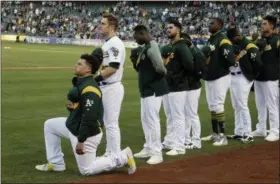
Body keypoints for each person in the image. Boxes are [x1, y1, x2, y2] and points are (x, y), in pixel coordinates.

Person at [35, 53, 136, 175]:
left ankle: (122, 157)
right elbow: (82, 110)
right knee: (50, 125)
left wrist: (81, 141)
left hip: (88, 133)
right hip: (75, 126)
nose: (75, 65)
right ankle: (56, 163)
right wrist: (73, 109)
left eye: (79, 64)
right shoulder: (82, 83)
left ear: (88, 69)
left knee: (86, 170)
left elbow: (89, 117)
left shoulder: (90, 88)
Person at [131, 25, 168, 165]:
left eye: (136, 36)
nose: (135, 39)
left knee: (152, 120)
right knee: (146, 119)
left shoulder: (152, 47)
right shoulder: (145, 47)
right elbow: (142, 69)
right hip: (146, 89)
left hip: (153, 89)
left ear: (143, 33)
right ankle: (149, 147)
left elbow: (161, 68)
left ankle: (157, 152)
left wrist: (153, 79)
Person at [162, 20, 194, 156]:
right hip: (169, 85)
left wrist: (177, 76)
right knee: (170, 116)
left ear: (178, 29)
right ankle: (170, 141)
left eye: (171, 27)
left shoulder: (181, 47)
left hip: (179, 86)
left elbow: (189, 65)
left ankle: (180, 146)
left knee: (178, 116)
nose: (168, 30)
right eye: (167, 28)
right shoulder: (172, 46)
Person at [95, 13, 125, 156]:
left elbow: (113, 67)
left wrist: (95, 79)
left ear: (111, 27)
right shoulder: (108, 42)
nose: (99, 26)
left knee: (111, 123)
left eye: (103, 23)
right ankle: (109, 152)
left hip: (111, 86)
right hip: (106, 86)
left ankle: (115, 154)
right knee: (108, 122)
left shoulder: (114, 43)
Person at [201, 18, 235, 146]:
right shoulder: (211, 39)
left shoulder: (223, 40)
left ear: (219, 25)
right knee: (212, 106)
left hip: (220, 76)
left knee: (218, 105)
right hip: (210, 76)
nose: (209, 25)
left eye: (212, 23)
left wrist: (219, 66)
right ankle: (215, 133)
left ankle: (223, 136)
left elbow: (231, 60)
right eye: (209, 23)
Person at [226, 27, 262, 143]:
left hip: (243, 77)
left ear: (238, 35)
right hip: (233, 76)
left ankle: (248, 133)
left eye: (234, 38)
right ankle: (239, 132)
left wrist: (252, 75)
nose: (232, 40)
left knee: (242, 105)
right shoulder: (233, 45)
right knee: (236, 105)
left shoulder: (248, 45)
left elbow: (257, 62)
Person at [252, 15, 279, 142]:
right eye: (262, 24)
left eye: (264, 24)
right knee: (260, 105)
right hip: (259, 77)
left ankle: (275, 131)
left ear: (271, 26)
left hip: (271, 78)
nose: (262, 26)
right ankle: (261, 128)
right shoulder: (259, 40)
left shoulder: (277, 41)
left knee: (272, 105)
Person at [180, 33, 205, 149]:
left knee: (192, 114)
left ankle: (196, 140)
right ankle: (186, 139)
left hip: (193, 86)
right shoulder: (188, 52)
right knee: (186, 114)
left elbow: (200, 71)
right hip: (186, 86)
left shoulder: (196, 53)